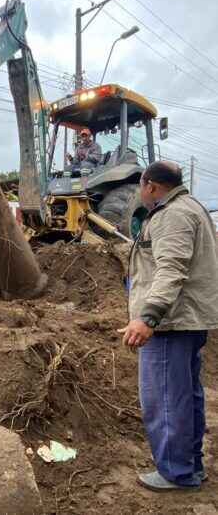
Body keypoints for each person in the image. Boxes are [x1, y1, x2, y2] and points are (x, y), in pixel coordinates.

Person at [120, 160, 218, 491]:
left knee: (163, 399)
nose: (140, 194)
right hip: (187, 319)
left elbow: (171, 270)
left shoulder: (172, 215)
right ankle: (190, 466)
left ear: (150, 186)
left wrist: (148, 317)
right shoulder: (192, 207)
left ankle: (176, 472)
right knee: (184, 396)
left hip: (171, 323)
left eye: (140, 188)